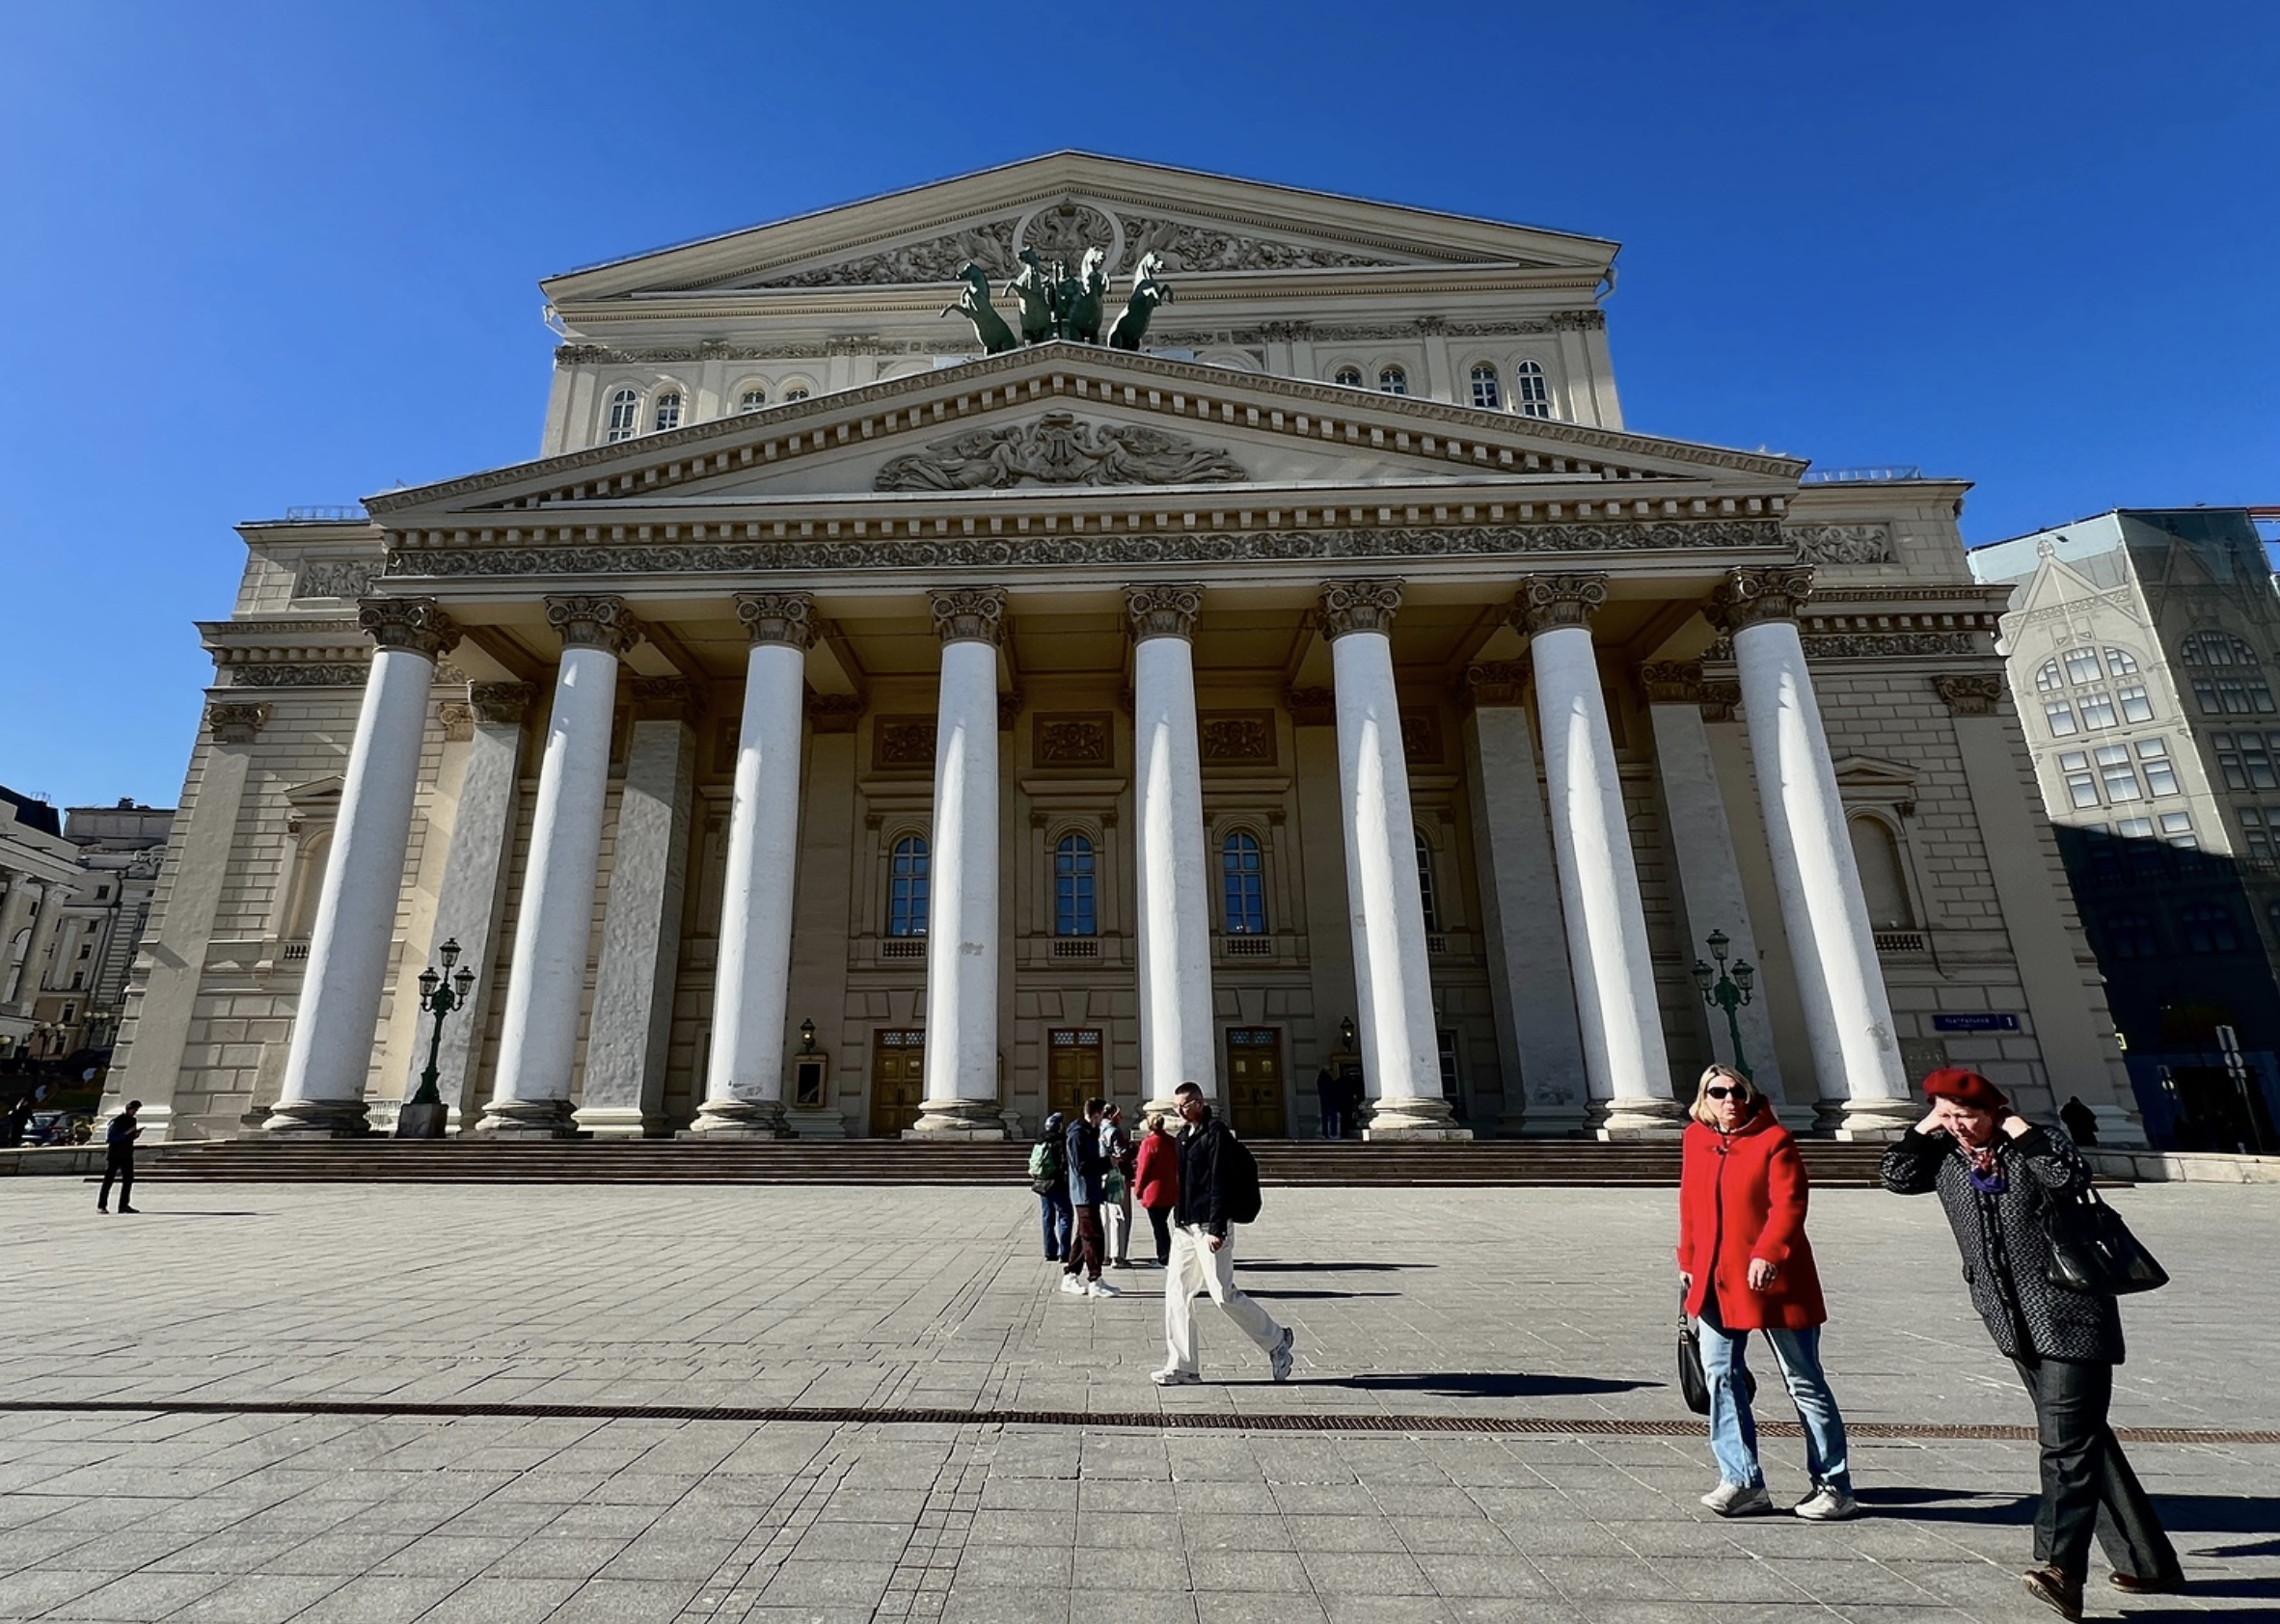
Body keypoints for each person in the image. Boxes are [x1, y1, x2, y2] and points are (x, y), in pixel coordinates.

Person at [1882, 1068, 2181, 1619]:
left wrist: (2019, 1128)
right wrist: (1926, 1127)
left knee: (2065, 1445)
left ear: (1994, 1110)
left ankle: (2058, 1568)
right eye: (1949, 1116)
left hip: (2070, 1316)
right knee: (2084, 1439)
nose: (1959, 1127)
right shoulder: (1948, 1157)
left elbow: (2066, 1177)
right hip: (2012, 1322)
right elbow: (1897, 1176)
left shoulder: (2032, 1147)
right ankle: (2147, 1561)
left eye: (1966, 1115)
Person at [1676, 1065, 1857, 1521]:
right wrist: (1687, 1261)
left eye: (1739, 1093)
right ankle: (1741, 1481)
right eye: (1719, 1093)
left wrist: (1769, 1253)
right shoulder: (1696, 1140)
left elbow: (1790, 1202)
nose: (1730, 1101)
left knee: (1804, 1381)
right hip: (1716, 1280)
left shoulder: (1774, 1140)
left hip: (1774, 1280)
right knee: (1720, 1377)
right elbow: (1690, 1203)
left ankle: (1833, 1484)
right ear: (1705, 1098)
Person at [1154, 1081, 1294, 1386]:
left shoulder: (1216, 1133)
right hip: (1185, 1228)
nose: (1181, 1109)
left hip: (1210, 1227)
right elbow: (1184, 1184)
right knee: (1177, 1293)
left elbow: (1221, 1180)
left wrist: (1217, 1227)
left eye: (1187, 1103)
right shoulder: (1182, 1138)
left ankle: (1277, 1340)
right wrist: (1177, 1220)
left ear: (1200, 1102)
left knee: (1222, 1294)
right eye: (1177, 1104)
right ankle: (1183, 1366)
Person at [1061, 1098, 1118, 1298]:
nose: (1103, 1119)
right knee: (1093, 1236)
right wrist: (1107, 1163)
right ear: (1095, 1114)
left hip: (1091, 1191)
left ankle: (1070, 1276)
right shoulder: (1077, 1135)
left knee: (1083, 1235)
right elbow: (1081, 1167)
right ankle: (1095, 1280)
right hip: (1083, 1193)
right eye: (1102, 1114)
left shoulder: (1089, 1133)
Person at [1134, 1112, 1179, 1267]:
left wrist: (1138, 1190)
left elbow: (1143, 1169)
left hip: (1154, 1191)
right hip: (1170, 1189)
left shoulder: (1149, 1143)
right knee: (1162, 1224)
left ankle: (1164, 1256)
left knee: (1159, 1227)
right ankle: (1167, 1254)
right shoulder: (1172, 1141)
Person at [1030, 1112, 1072, 1263]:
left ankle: (1049, 1251)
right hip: (1058, 1183)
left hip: (1042, 1183)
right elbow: (1064, 1163)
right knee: (1065, 1216)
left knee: (1048, 1218)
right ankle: (1065, 1252)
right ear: (1059, 1126)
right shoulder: (1061, 1141)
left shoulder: (1039, 1141)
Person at [1099, 1104, 1134, 1268]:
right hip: (1117, 1175)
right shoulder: (1114, 1131)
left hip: (1102, 1174)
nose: (1121, 1117)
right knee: (1119, 1215)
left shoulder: (1098, 1130)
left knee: (1105, 1215)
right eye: (1118, 1114)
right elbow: (1121, 1154)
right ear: (1112, 1115)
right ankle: (1118, 1255)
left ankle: (1105, 1253)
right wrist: (1132, 1150)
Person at [97, 1099, 142, 1215]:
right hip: (115, 1154)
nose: (135, 1112)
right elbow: (110, 1138)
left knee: (128, 1180)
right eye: (134, 1110)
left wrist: (135, 1135)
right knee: (108, 1180)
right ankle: (102, 1205)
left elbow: (129, 1138)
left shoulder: (133, 1120)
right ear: (128, 1109)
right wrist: (126, 1134)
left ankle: (123, 1205)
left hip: (127, 1153)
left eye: (136, 1110)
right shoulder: (117, 1121)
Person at [1315, 1065, 1343, 1140]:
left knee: (1325, 1117)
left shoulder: (1321, 1078)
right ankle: (1332, 1133)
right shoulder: (1326, 1078)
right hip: (1330, 1100)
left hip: (1325, 1100)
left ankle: (1326, 1133)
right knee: (1332, 1116)